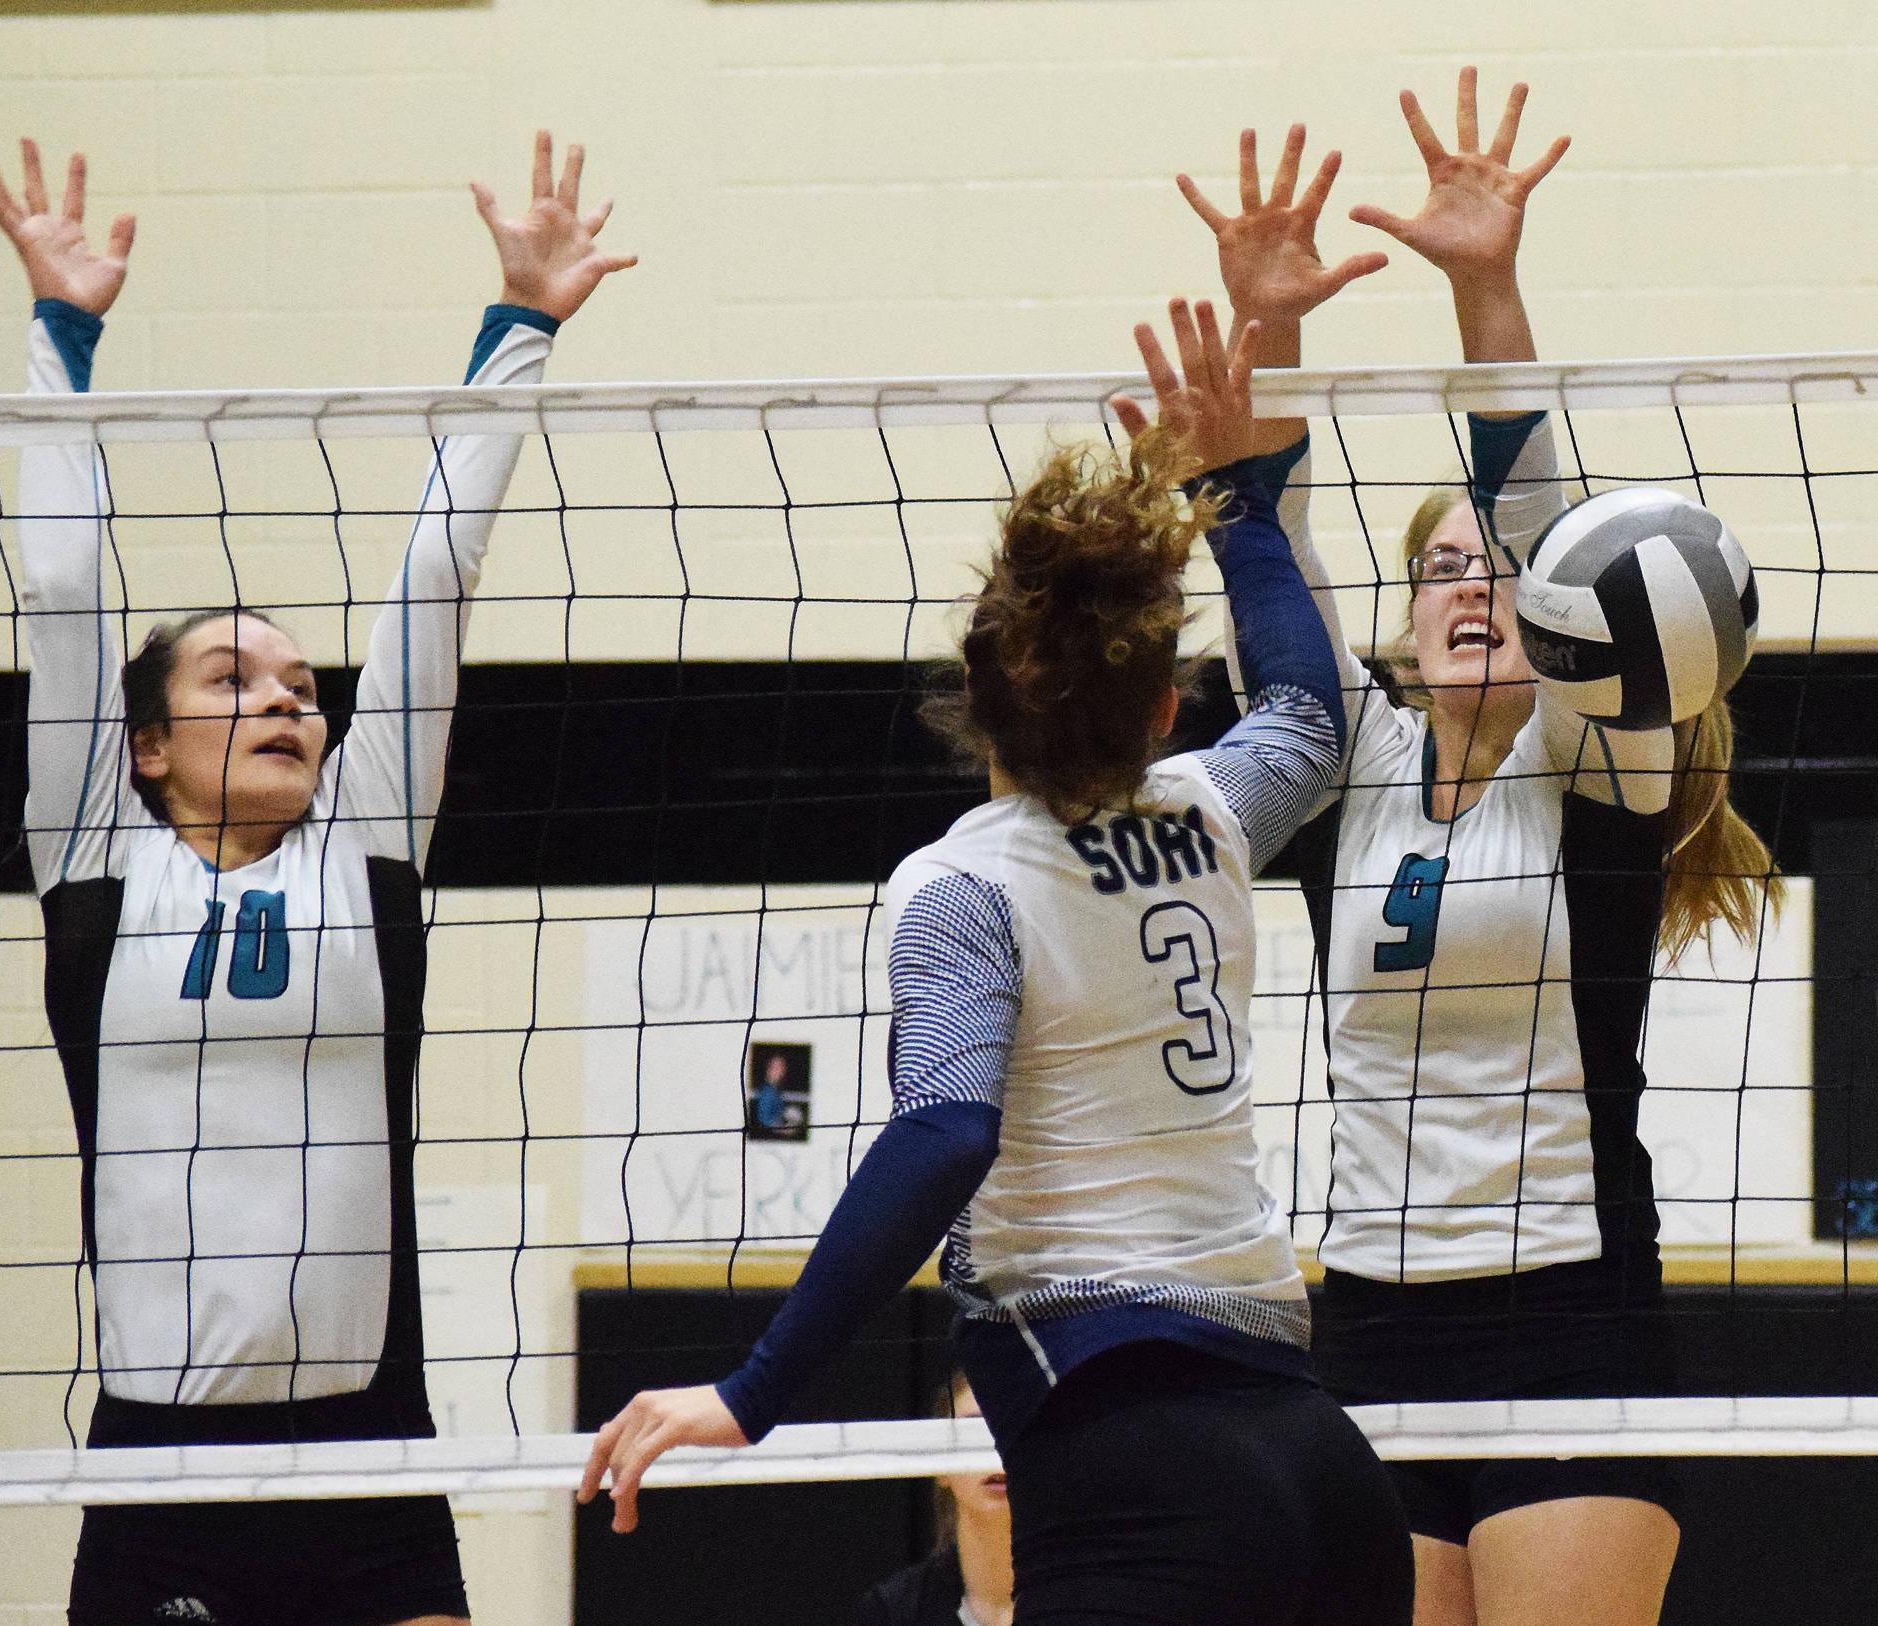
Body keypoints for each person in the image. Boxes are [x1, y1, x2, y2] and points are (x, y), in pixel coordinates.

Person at [580, 296, 1414, 1626]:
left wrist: (755, 1388)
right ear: (1158, 706)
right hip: (1325, 1474)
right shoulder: (1206, 812)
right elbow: (1311, 718)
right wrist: (1240, 501)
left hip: (1138, 1463)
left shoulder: (962, 885)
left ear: (978, 696)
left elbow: (949, 1130)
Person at [0, 131, 633, 1626]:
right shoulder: (93, 855)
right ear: (143, 745)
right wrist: (59, 335)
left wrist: (520, 327)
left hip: (366, 1453)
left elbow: (435, 578)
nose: (286, 698)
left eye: (298, 682)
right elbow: (66, 589)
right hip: (161, 1471)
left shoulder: (367, 844)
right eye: (232, 677)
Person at [1182, 73, 1778, 1626]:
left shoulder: (1599, 764)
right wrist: (1272, 328)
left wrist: (1485, 286)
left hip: (1573, 1323)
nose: (1475, 592)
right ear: (1404, 609)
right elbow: (1271, 553)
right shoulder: (1343, 761)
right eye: (1441, 569)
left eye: (1498, 575)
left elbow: (1544, 513)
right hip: (1368, 1323)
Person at [851, 1374, 1012, 1626]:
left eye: (1012, 1431)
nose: (996, 1453)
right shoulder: (892, 1612)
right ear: (940, 1465)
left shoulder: (1089, 1599)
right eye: (973, 1432)